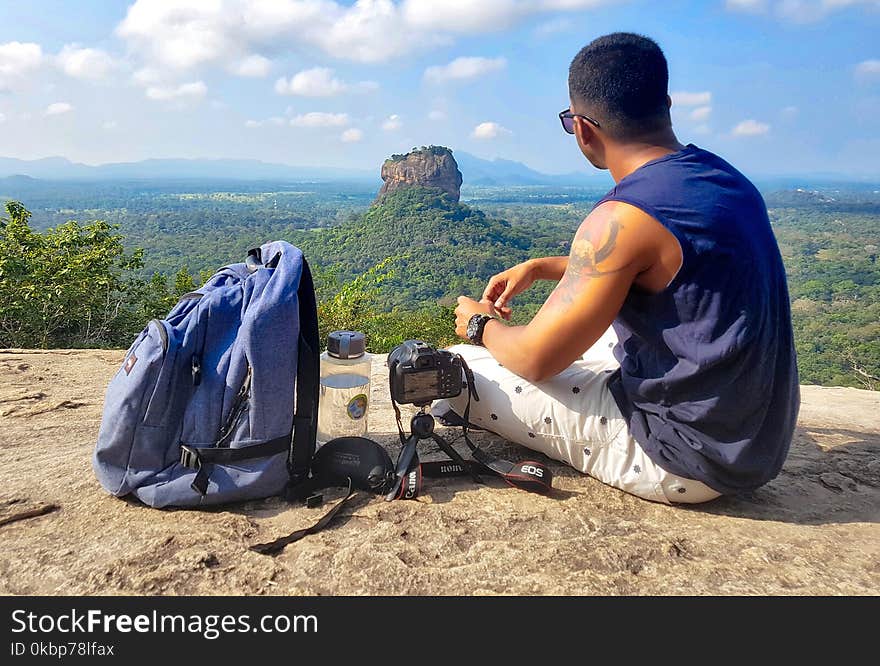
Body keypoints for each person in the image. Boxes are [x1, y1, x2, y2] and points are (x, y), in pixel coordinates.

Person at [433, 32, 800, 505]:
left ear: (583, 129)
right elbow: (672, 269)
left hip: (682, 458)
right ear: (665, 104)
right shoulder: (725, 179)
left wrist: (478, 324)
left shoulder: (621, 217)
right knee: (592, 328)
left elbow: (536, 360)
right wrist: (545, 267)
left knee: (451, 373)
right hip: (752, 438)